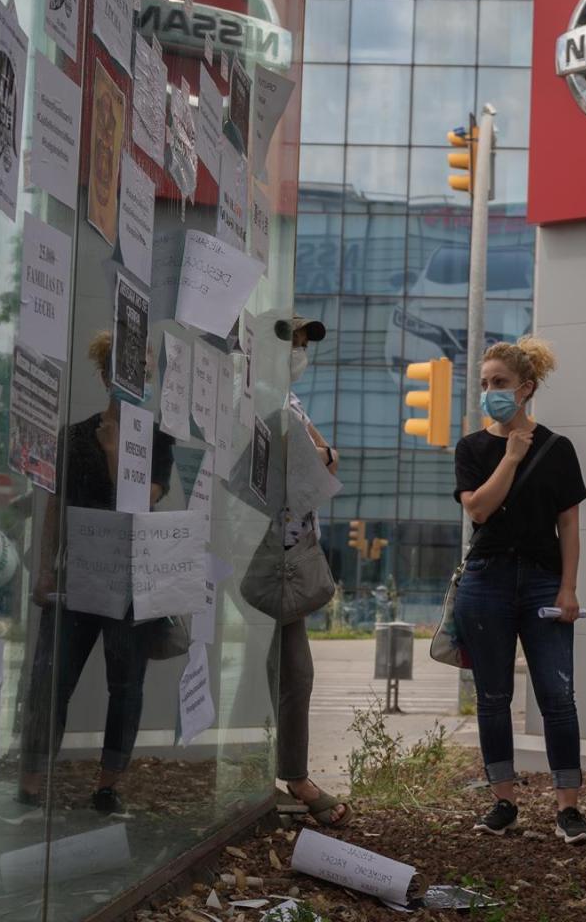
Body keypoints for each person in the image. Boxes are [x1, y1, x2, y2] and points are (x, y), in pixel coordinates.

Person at [20, 331, 174, 814]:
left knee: (125, 681)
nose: (144, 378)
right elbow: (56, 505)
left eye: (148, 372)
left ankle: (107, 784)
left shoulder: (157, 438)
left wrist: (113, 451)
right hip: (78, 574)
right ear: (109, 375)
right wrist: (44, 568)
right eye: (136, 370)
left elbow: (144, 500)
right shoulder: (73, 435)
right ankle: (30, 779)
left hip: (129, 578)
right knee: (53, 676)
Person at [453, 336, 586, 843]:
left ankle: (568, 808)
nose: (491, 391)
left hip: (542, 582)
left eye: (501, 383)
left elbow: (570, 525)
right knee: (493, 698)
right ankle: (504, 801)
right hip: (485, 580)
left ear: (526, 388)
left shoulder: (558, 448)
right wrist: (510, 458)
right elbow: (478, 509)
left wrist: (568, 589)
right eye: (485, 383)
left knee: (558, 695)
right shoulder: (472, 448)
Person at [266, 316, 350, 827]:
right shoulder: (256, 398)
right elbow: (315, 460)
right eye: (294, 344)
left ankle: (290, 774)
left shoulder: (289, 402)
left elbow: (325, 460)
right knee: (288, 673)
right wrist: (321, 455)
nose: (300, 353)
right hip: (259, 556)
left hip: (287, 558)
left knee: (292, 673)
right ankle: (289, 777)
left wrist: (321, 455)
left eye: (302, 345)